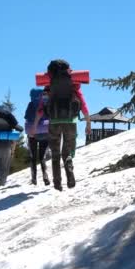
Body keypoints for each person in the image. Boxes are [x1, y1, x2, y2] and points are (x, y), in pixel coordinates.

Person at [31, 59, 91, 191]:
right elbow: (83, 105)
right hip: (70, 122)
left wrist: (35, 125)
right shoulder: (74, 85)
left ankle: (57, 183)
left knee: (55, 153)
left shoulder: (48, 87)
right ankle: (70, 173)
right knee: (67, 152)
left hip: (54, 122)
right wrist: (88, 123)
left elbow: (41, 108)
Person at [0, 105, 23, 189]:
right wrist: (13, 150)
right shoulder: (9, 122)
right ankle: (2, 184)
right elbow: (13, 139)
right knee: (4, 166)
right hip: (7, 147)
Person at [25, 88, 50, 186]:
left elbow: (27, 119)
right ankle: (45, 176)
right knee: (42, 156)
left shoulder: (31, 105)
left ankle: (34, 178)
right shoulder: (46, 103)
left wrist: (29, 131)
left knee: (33, 157)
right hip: (45, 133)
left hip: (33, 134)